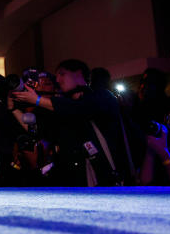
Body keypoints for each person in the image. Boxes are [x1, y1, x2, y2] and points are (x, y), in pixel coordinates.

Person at [12, 59, 133, 187]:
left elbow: (79, 109)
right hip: (75, 183)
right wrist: (13, 109)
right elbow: (40, 129)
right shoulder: (64, 106)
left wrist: (37, 100)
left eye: (62, 74)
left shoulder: (102, 96)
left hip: (105, 180)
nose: (57, 80)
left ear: (79, 74)